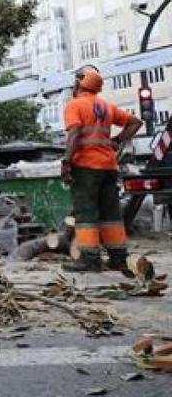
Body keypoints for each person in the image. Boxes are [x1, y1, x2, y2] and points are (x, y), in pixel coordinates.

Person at [61, 67, 143, 272]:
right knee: (110, 214)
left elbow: (75, 133)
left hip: (86, 167)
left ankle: (89, 258)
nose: (74, 84)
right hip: (109, 166)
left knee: (85, 212)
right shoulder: (106, 106)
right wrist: (116, 140)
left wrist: (66, 161)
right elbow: (135, 122)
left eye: (76, 80)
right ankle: (118, 257)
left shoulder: (75, 105)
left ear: (81, 82)